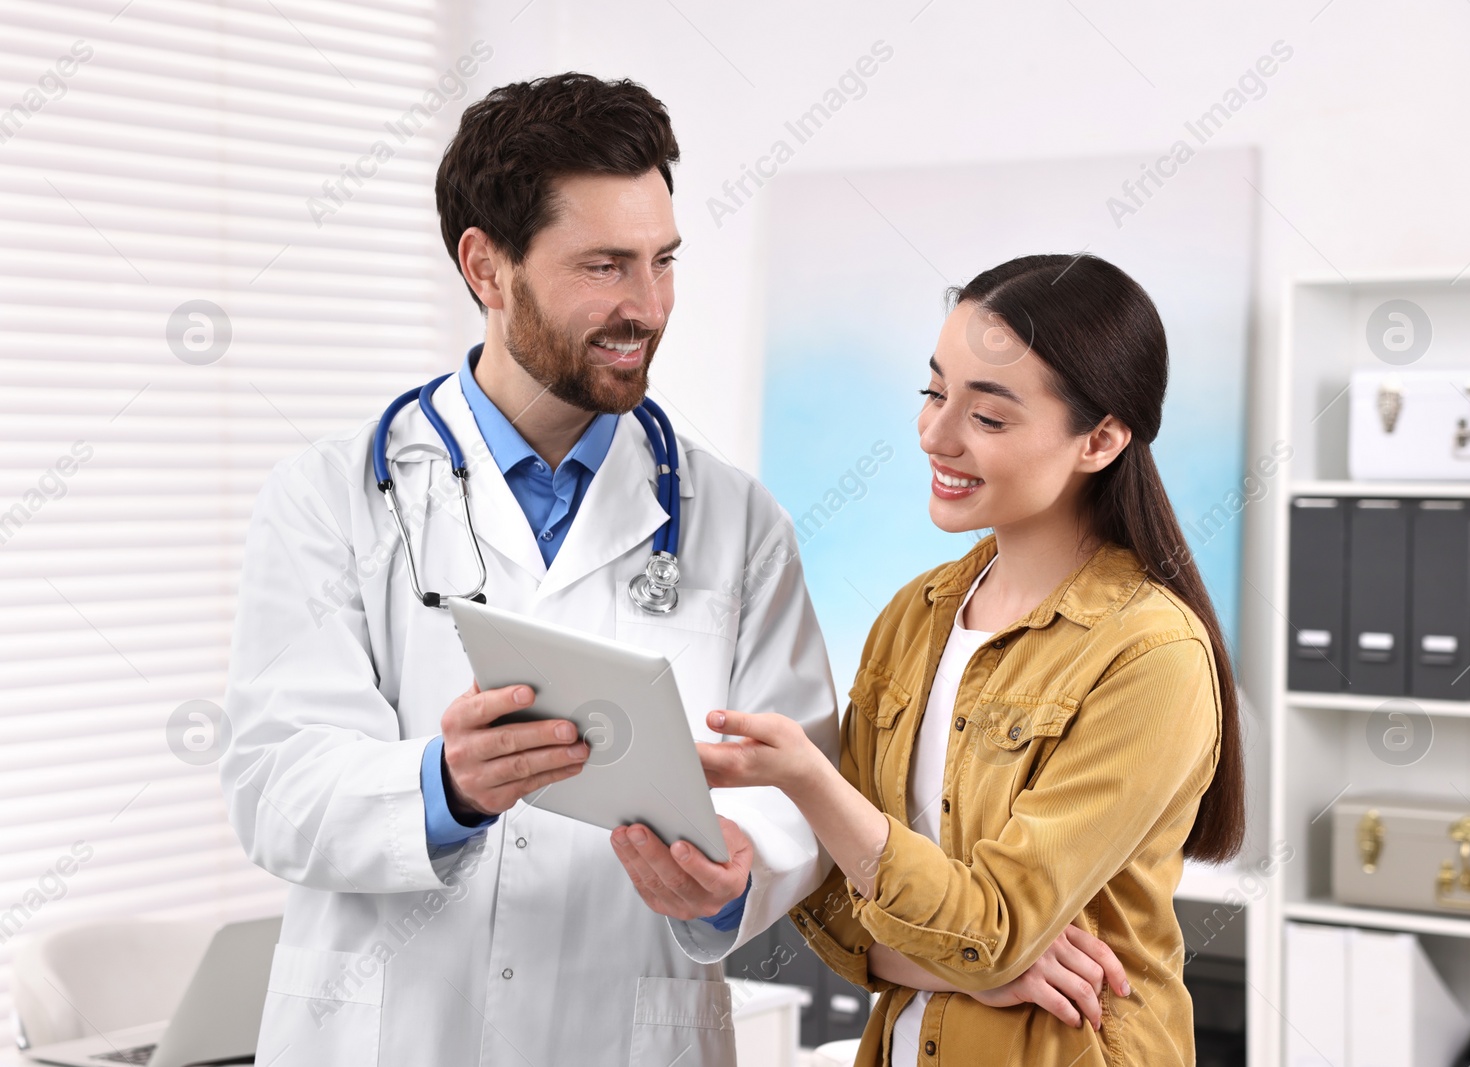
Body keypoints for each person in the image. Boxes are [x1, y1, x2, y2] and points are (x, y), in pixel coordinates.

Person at [220, 74, 841, 1067]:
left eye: (663, 262)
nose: (647, 306)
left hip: (627, 1031)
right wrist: (441, 782)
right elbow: (275, 781)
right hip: (389, 1033)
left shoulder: (735, 522)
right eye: (604, 266)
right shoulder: (331, 498)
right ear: (486, 266)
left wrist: (739, 868)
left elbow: (799, 776)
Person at [698, 253, 1247, 1066]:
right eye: (933, 392)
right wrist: (963, 962)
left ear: (1100, 439)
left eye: (988, 418)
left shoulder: (1151, 656)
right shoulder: (914, 617)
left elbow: (991, 926)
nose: (935, 434)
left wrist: (805, 780)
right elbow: (836, 907)